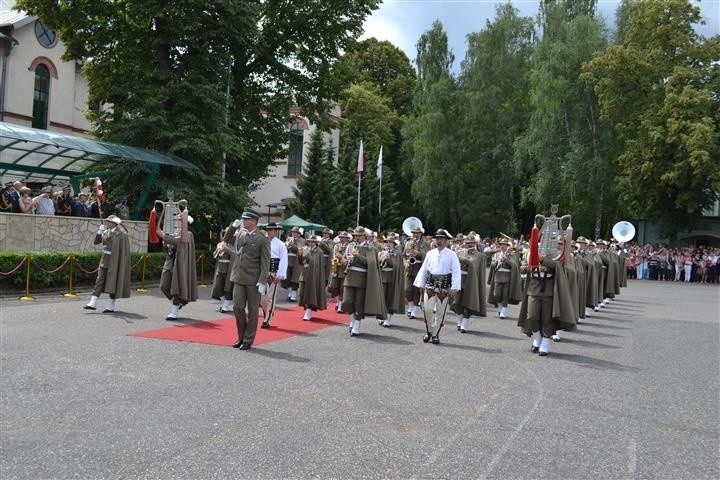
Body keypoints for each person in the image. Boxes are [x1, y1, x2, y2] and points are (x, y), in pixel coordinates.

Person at [518, 236, 576, 356]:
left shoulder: (556, 254)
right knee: (532, 316)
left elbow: (558, 266)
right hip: (533, 289)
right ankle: (537, 337)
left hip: (549, 291)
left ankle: (545, 342)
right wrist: (529, 266)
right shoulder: (531, 253)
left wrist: (543, 259)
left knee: (546, 318)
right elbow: (522, 267)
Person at [223, 209, 270, 350]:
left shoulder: (262, 238)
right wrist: (232, 227)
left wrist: (262, 281)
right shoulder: (240, 234)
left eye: (246, 219)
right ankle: (241, 336)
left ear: (254, 221)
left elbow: (265, 261)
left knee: (253, 311)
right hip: (238, 277)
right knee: (237, 307)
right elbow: (226, 239)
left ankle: (248, 339)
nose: (243, 221)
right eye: (242, 219)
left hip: (253, 279)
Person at [414, 229, 461, 344]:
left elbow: (456, 271)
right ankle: (429, 331)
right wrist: (421, 284)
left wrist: (455, 287)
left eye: (441, 239)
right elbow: (424, 269)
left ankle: (435, 334)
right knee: (428, 310)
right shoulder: (430, 253)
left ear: (446, 240)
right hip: (430, 285)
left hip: (444, 287)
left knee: (440, 313)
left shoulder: (452, 254)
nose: (439, 241)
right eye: (437, 239)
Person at [342, 226, 386, 337]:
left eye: (359, 235)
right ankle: (352, 320)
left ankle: (356, 324)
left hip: (361, 279)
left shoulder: (370, 248)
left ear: (365, 237)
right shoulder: (350, 246)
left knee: (358, 304)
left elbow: (371, 263)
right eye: (355, 235)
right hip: (349, 277)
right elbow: (342, 261)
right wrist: (346, 260)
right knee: (347, 302)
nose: (357, 237)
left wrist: (358, 256)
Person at [84, 215, 131, 312]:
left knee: (113, 282)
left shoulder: (121, 234)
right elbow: (96, 242)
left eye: (109, 221)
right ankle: (93, 302)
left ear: (114, 223)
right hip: (105, 260)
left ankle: (110, 305)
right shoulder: (105, 232)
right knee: (99, 280)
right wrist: (99, 232)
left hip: (115, 261)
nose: (108, 223)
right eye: (108, 221)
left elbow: (124, 250)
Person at [157, 209, 198, 320]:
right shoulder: (174, 233)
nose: (178, 221)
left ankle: (174, 309)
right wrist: (165, 244)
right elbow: (169, 249)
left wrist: (164, 236)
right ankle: (179, 302)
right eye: (178, 220)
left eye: (181, 220)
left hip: (180, 265)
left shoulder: (188, 234)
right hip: (170, 262)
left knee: (176, 287)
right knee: (164, 286)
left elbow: (180, 243)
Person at [452, 232, 487, 333]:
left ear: (475, 243)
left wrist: (458, 256)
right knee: (456, 302)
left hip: (471, 282)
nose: (469, 245)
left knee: (468, 303)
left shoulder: (479, 255)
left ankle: (465, 323)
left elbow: (472, 262)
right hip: (460, 280)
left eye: (471, 243)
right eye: (468, 243)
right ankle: (460, 319)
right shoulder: (462, 252)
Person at [260, 222, 288, 328]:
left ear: (275, 231)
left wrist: (279, 275)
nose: (269, 231)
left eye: (271, 230)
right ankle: (267, 310)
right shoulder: (263, 242)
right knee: (260, 295)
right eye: (268, 230)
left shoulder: (280, 244)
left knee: (270, 297)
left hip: (273, 272)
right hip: (262, 271)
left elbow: (284, 260)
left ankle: (267, 319)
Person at [298, 235, 332, 321]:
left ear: (316, 242)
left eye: (312, 241)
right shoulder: (306, 248)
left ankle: (308, 311)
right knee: (302, 292)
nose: (311, 243)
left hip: (313, 275)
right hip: (304, 273)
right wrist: (300, 253)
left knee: (310, 293)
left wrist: (307, 254)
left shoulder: (319, 251)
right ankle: (306, 308)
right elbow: (300, 262)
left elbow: (314, 263)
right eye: (309, 241)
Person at [487, 238, 522, 318]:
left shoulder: (511, 255)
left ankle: (503, 311)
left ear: (507, 246)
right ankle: (500, 308)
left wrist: (506, 260)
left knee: (505, 295)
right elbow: (492, 265)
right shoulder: (496, 254)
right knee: (497, 294)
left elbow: (514, 265)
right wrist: (496, 262)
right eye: (501, 244)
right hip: (498, 276)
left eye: (504, 245)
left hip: (507, 277)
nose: (502, 246)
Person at [377, 233, 405, 327]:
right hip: (382, 276)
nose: (388, 244)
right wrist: (380, 258)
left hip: (392, 277)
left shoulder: (397, 254)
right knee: (382, 298)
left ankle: (388, 318)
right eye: (387, 242)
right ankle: (382, 317)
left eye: (390, 242)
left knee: (390, 298)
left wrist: (388, 259)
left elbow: (397, 266)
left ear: (394, 244)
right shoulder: (382, 251)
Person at [404, 225, 429, 319]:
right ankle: (410, 305)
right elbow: (403, 255)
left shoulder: (425, 243)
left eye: (417, 233)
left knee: (416, 290)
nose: (415, 235)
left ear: (421, 234)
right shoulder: (408, 243)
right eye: (414, 233)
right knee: (407, 289)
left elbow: (428, 255)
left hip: (419, 267)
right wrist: (405, 263)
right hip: (409, 268)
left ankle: (414, 308)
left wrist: (418, 253)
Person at [210, 228, 236, 314]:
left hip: (228, 268)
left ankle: (226, 305)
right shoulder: (220, 244)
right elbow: (214, 255)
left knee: (228, 288)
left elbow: (235, 255)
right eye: (224, 233)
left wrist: (227, 250)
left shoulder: (234, 245)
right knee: (217, 287)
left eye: (227, 233)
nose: (225, 235)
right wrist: (218, 250)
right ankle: (223, 300)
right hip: (220, 267)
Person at [327, 231, 351, 312]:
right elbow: (333, 255)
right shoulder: (336, 246)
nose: (341, 239)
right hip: (336, 269)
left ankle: (340, 305)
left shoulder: (349, 247)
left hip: (343, 270)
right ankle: (338, 301)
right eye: (340, 237)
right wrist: (334, 260)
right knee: (332, 287)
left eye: (343, 237)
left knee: (342, 289)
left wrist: (340, 257)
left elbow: (348, 259)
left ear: (347, 239)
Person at [282, 226, 305, 302]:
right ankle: (290, 293)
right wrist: (286, 245)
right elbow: (285, 249)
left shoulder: (302, 240)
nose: (293, 234)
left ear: (298, 234)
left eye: (295, 232)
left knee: (295, 279)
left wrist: (292, 244)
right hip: (288, 260)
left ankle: (293, 295)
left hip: (297, 262)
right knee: (288, 278)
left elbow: (300, 250)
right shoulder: (289, 239)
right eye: (293, 232)